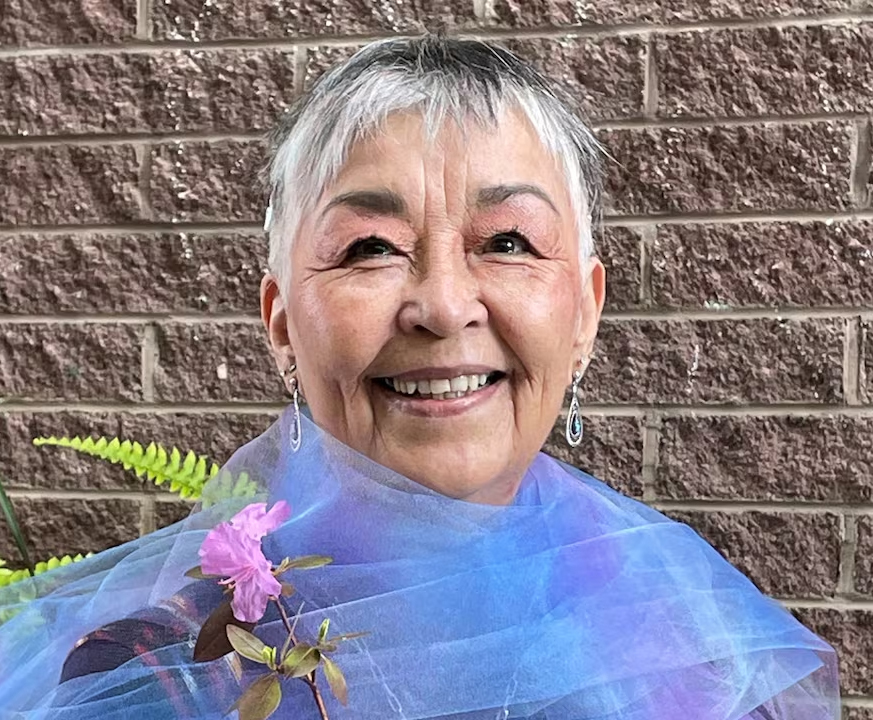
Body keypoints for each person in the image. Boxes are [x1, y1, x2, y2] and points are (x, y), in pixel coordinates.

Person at [0, 34, 838, 719]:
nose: (441, 305)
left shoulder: (700, 652)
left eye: (507, 241)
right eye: (370, 248)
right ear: (282, 324)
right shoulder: (159, 673)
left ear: (584, 313)